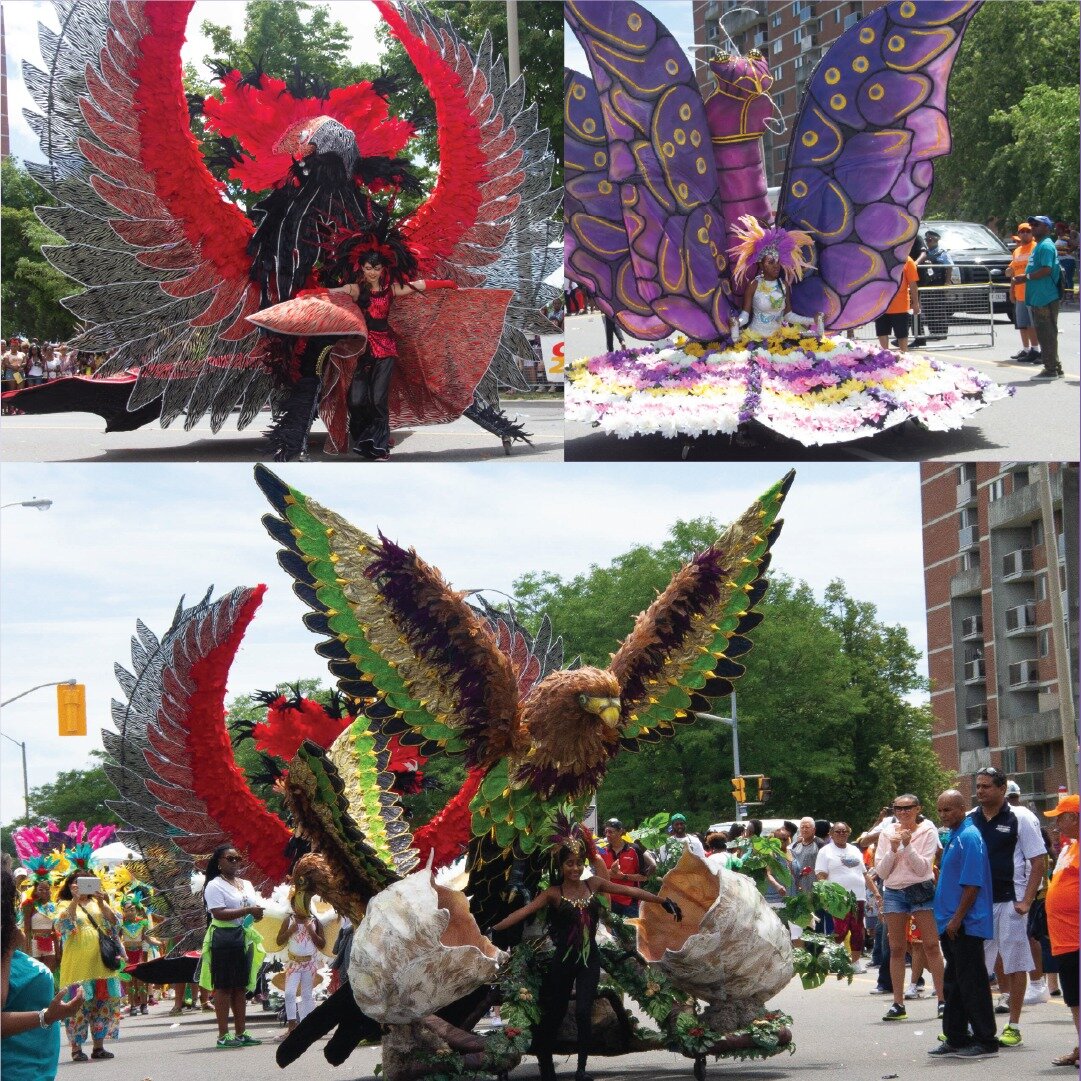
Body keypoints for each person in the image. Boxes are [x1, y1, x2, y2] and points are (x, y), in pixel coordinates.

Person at [489, 832, 682, 1081]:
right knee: (555, 1013)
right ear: (560, 866)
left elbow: (628, 891)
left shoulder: (594, 884)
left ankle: (581, 1069)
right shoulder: (553, 893)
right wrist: (492, 929)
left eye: (579, 863)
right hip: (563, 962)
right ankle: (546, 1065)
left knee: (583, 1012)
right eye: (570, 863)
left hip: (589, 960)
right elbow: (523, 912)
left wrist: (662, 901)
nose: (576, 868)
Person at [324, 251, 457, 460]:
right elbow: (334, 292)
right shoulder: (356, 290)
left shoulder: (390, 291)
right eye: (368, 268)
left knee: (378, 399)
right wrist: (311, 294)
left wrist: (446, 284)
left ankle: (380, 446)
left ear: (383, 269)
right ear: (362, 268)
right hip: (363, 351)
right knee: (356, 400)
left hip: (385, 349)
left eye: (377, 269)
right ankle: (365, 438)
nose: (373, 273)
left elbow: (419, 285)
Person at [968, 766, 1046, 1047]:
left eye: (986, 786)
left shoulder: (1021, 817)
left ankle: (1013, 1025)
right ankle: (972, 1023)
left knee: (1014, 963)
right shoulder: (970, 820)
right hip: (977, 903)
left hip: (1010, 901)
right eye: (978, 786)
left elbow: (1038, 860)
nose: (980, 791)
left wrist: (1026, 900)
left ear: (1002, 789)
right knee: (976, 966)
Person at [927, 789, 997, 1059]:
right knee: (954, 983)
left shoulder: (969, 836)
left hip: (965, 923)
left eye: (949, 809)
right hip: (950, 923)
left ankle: (985, 1040)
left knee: (973, 982)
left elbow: (972, 884)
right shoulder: (954, 835)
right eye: (940, 809)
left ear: (962, 808)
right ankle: (956, 1037)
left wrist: (957, 919)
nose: (944, 814)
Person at [2, 868, 85, 1081]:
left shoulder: (53, 907)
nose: (45, 891)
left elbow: (59, 928)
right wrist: (47, 1016)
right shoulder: (28, 910)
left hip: (36, 1071)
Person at [874, 794, 945, 1021]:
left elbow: (923, 868)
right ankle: (898, 1003)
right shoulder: (886, 833)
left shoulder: (928, 831)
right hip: (894, 891)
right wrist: (893, 849)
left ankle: (943, 1000)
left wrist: (907, 846)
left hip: (920, 889)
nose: (903, 812)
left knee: (931, 945)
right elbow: (882, 872)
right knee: (896, 948)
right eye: (898, 808)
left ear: (917, 809)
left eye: (908, 808)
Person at [197, 845, 266, 1049]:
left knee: (240, 987)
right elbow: (217, 913)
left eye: (238, 859)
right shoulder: (214, 885)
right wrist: (248, 910)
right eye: (230, 858)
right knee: (224, 987)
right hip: (224, 937)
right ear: (219, 862)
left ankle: (241, 1032)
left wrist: (257, 913)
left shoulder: (246, 883)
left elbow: (251, 909)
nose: (235, 862)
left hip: (243, 937)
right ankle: (223, 1035)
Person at [54, 872, 124, 1062]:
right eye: (77, 883)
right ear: (70, 886)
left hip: (102, 964)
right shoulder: (63, 903)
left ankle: (98, 1047)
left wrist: (102, 903)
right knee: (77, 1007)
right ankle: (76, 1049)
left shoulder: (98, 903)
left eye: (85, 883)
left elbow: (116, 923)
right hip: (77, 965)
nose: (81, 887)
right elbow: (62, 926)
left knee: (102, 1005)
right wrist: (75, 900)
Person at [1043, 793, 1079, 1067]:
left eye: (1060, 818)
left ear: (1074, 818)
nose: (1055, 824)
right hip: (1064, 937)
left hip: (1076, 936)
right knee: (1074, 998)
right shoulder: (1069, 848)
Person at [816, 822, 881, 972]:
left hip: (858, 896)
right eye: (838, 831)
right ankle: (830, 957)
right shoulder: (825, 851)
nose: (841, 834)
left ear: (849, 833)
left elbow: (864, 874)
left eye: (844, 831)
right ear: (831, 834)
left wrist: (876, 893)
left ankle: (855, 962)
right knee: (841, 930)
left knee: (858, 930)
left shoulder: (854, 850)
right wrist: (826, 897)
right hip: (838, 897)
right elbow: (821, 876)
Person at [1014, 215, 1064, 379]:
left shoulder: (1046, 246)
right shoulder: (1040, 245)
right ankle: (1055, 367)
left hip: (1045, 296)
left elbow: (1046, 270)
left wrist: (1025, 277)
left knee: (1046, 333)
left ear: (1047, 228)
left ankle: (1050, 370)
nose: (1033, 227)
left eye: (1036, 225)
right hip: (1039, 296)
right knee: (1047, 332)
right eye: (1031, 224)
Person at [275, 890, 325, 1037]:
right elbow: (279, 941)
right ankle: (291, 1027)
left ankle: (306, 1026)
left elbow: (321, 944)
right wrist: (290, 930)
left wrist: (311, 931)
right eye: (297, 904)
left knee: (307, 995)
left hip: (309, 965)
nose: (301, 907)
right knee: (290, 993)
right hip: (293, 964)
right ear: (292, 905)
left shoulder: (315, 921)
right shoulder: (289, 921)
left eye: (304, 903)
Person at [596, 819, 656, 917]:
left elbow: (643, 877)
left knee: (631, 930)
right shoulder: (603, 851)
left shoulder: (634, 849)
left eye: (611, 832)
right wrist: (611, 872)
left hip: (630, 901)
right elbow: (597, 874)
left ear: (620, 832)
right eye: (606, 832)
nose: (607, 835)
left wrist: (624, 876)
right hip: (610, 900)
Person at [1007, 224, 1040, 364]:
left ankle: (1036, 350)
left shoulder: (1036, 248)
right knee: (1023, 324)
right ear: (1019, 234)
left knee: (1033, 324)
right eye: (1022, 232)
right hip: (1019, 292)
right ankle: (1027, 349)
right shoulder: (1017, 251)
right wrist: (1011, 290)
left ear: (1032, 233)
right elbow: (1012, 270)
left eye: (1028, 231)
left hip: (1033, 292)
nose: (1025, 234)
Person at [875, 252, 920, 353]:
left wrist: (915, 303)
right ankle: (884, 355)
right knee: (882, 332)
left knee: (902, 334)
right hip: (881, 305)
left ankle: (904, 355)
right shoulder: (880, 257)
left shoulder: (908, 261)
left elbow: (913, 284)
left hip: (900, 305)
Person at [19, 877, 58, 975]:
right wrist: (27, 948)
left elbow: (56, 930)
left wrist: (58, 950)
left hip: (50, 942)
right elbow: (27, 929)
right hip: (34, 942)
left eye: (47, 889)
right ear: (35, 891)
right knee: (35, 973)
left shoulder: (54, 906)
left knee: (49, 973)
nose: (44, 892)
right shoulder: (29, 905)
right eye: (41, 889)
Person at [921, 230, 954, 337]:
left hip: (938, 283)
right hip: (927, 284)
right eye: (926, 240)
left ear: (936, 240)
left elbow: (949, 266)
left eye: (929, 240)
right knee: (928, 308)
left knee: (939, 308)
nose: (927, 242)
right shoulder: (925, 253)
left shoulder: (942, 253)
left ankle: (942, 332)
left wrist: (947, 282)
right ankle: (933, 332)